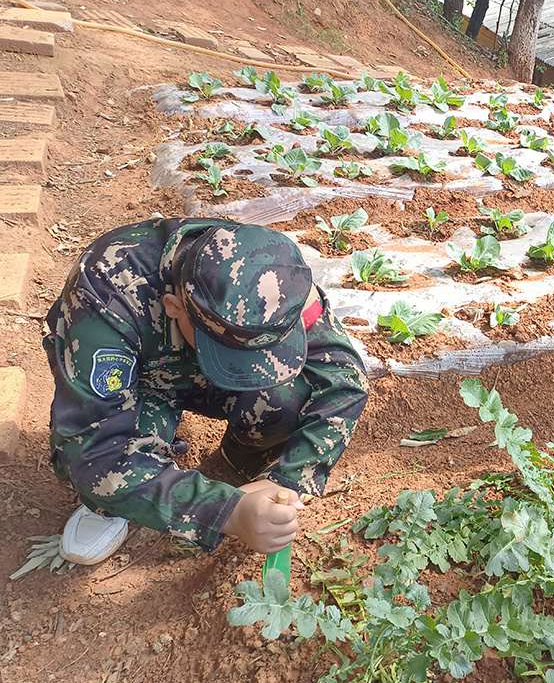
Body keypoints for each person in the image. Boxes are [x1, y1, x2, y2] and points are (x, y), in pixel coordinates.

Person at [44, 216, 370, 564]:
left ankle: (242, 457)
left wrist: (290, 479)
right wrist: (226, 512)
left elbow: (345, 378)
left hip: (205, 375)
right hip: (141, 380)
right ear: (174, 307)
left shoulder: (278, 279)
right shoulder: (107, 290)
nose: (248, 368)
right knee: (105, 466)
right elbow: (93, 449)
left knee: (290, 399)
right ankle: (112, 504)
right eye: (229, 353)